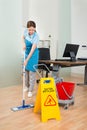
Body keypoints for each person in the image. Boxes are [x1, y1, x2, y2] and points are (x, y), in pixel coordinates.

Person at [22, 20, 39, 97]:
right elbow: (22, 37)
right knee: (26, 72)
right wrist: (23, 44)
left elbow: (32, 50)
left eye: (33, 29)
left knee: (31, 72)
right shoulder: (26, 31)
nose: (31, 31)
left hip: (33, 54)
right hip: (27, 52)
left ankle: (30, 90)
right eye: (30, 29)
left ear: (35, 28)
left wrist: (26, 60)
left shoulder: (36, 36)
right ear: (27, 28)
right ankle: (27, 86)